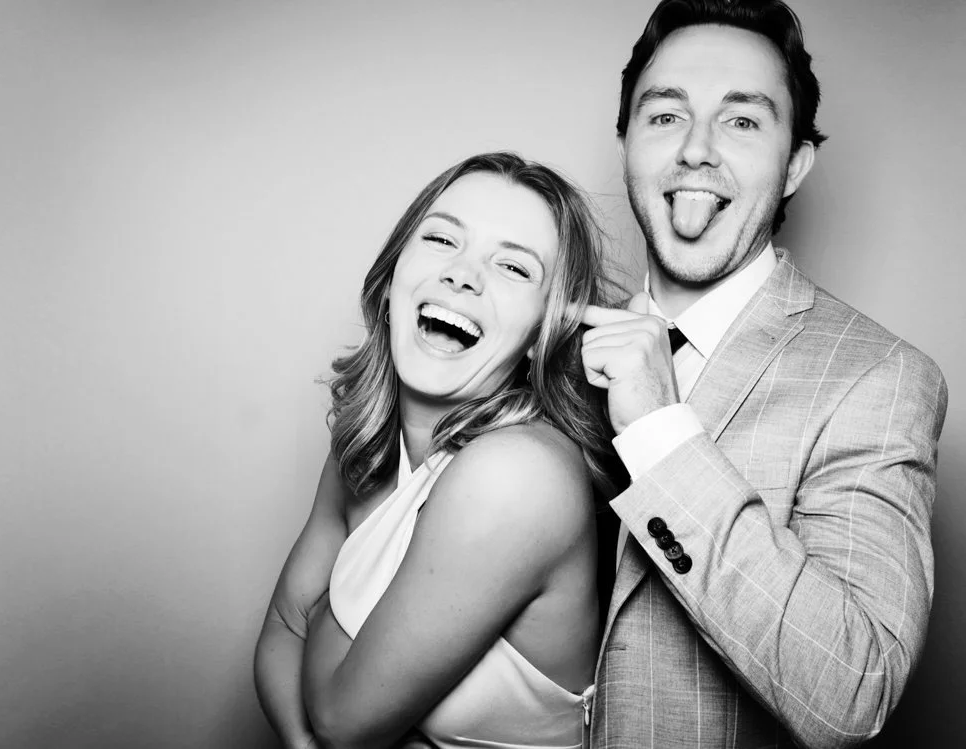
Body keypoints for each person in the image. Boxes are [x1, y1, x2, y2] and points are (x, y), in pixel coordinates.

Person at [577, 1, 948, 747]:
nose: (696, 151)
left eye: (742, 121)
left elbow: (853, 688)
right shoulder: (552, 355)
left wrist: (657, 430)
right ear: (626, 144)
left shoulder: (879, 378)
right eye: (664, 116)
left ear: (794, 165)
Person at [254, 152, 623, 749]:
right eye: (442, 238)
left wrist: (321, 616)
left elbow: (343, 721)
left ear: (542, 332)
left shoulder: (517, 475)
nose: (463, 274)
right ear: (395, 273)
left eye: (513, 267)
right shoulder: (367, 438)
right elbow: (278, 631)